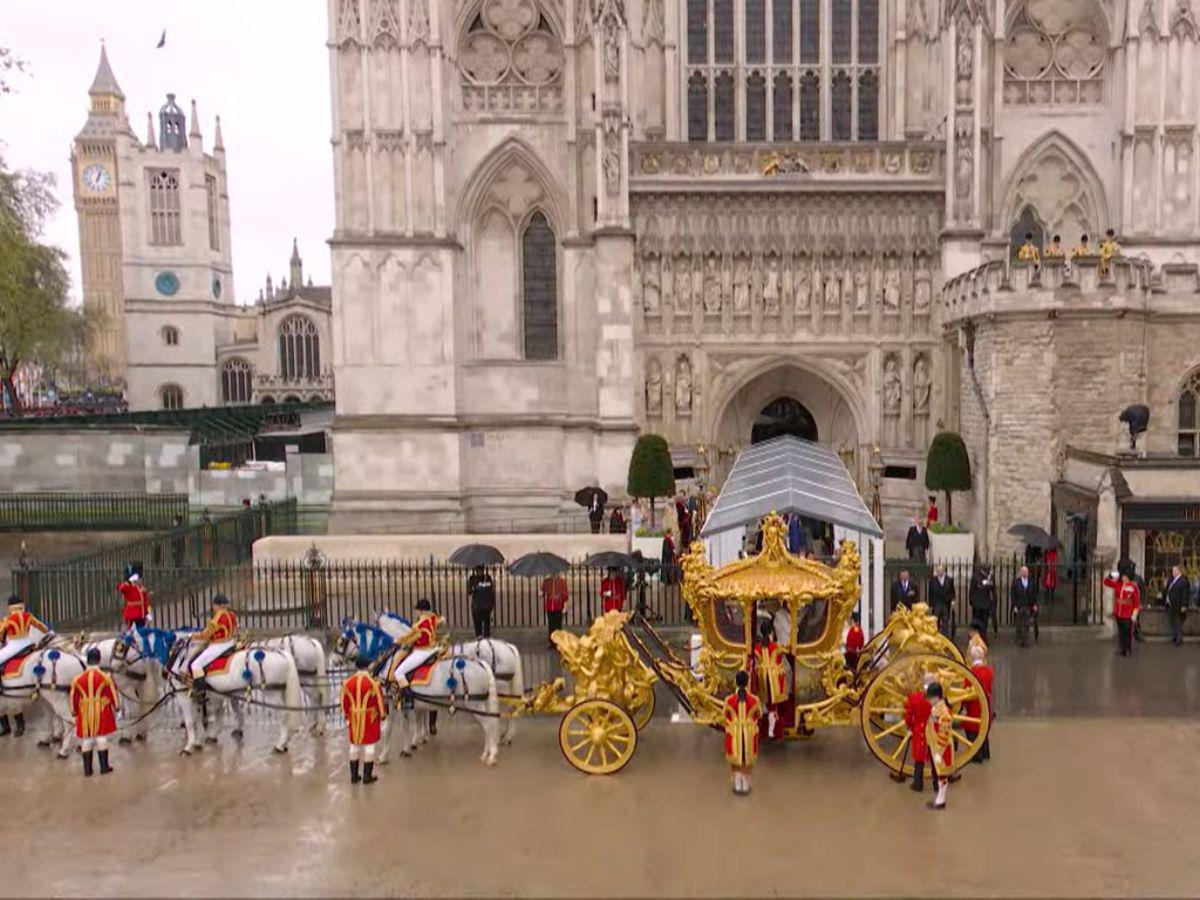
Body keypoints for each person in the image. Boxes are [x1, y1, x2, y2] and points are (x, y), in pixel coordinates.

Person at [0, 597, 51, 737]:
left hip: (14, 646)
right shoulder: (28, 616)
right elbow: (44, 628)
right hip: (28, 644)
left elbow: (1, 636)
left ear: (10, 607)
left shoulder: (7, 620)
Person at [70, 647, 120, 776]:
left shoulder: (77, 679)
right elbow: (113, 695)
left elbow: (73, 697)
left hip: (85, 711)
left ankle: (88, 770)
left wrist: (74, 710)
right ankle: (104, 767)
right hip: (102, 709)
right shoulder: (105, 677)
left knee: (87, 740)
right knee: (101, 738)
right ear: (99, 660)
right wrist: (116, 706)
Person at [340, 655, 387, 785]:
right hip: (369, 717)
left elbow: (344, 703)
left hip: (354, 716)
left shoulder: (347, 682)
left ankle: (354, 776)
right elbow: (379, 701)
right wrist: (382, 714)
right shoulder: (373, 683)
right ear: (368, 666)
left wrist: (346, 716)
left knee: (354, 746)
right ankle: (367, 776)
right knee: (369, 746)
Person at [388, 599, 444, 690]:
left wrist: (396, 641)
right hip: (434, 648)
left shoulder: (418, 626)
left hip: (421, 652)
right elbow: (441, 620)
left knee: (398, 673)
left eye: (417, 610)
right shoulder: (433, 618)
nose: (416, 613)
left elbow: (408, 638)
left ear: (421, 611)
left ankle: (408, 699)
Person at [722, 670, 762, 796]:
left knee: (735, 757)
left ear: (736, 682)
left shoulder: (729, 700)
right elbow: (759, 715)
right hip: (749, 732)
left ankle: (737, 782)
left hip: (734, 732)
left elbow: (725, 716)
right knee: (747, 757)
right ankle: (745, 783)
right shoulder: (755, 700)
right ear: (747, 682)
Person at [188, 594, 238, 692]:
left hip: (219, 646)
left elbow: (205, 635)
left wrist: (192, 636)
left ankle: (200, 691)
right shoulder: (232, 615)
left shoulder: (217, 618)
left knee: (195, 665)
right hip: (230, 643)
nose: (213, 608)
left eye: (214, 605)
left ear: (218, 605)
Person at [753, 622, 788, 739]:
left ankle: (765, 727)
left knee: (766, 703)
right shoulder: (775, 646)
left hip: (762, 676)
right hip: (774, 678)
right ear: (771, 632)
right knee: (773, 705)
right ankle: (771, 731)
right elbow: (788, 650)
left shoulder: (757, 647)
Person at [963, 640, 994, 765]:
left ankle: (977, 756)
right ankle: (985, 753)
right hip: (986, 703)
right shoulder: (989, 671)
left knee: (973, 731)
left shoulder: (970, 673)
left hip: (974, 705)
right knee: (984, 729)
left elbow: (966, 691)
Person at [924, 681, 953, 810]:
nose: (929, 701)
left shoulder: (943, 713)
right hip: (934, 744)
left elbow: (944, 734)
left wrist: (938, 752)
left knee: (942, 775)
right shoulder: (937, 709)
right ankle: (940, 798)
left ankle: (941, 800)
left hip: (941, 747)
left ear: (936, 697)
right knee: (939, 773)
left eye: (930, 698)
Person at [904, 677, 933, 792]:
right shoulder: (938, 700)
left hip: (919, 731)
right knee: (935, 758)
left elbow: (908, 717)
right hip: (933, 730)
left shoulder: (915, 699)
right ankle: (937, 785)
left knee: (919, 760)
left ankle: (918, 784)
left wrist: (910, 727)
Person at [1103, 569, 1141, 656]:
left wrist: (1134, 614)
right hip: (1119, 612)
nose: (1122, 577)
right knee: (1121, 632)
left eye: (1124, 576)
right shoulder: (1118, 584)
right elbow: (1106, 582)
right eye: (1122, 576)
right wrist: (1111, 575)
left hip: (1128, 613)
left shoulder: (1133, 587)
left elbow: (1136, 602)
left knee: (1127, 632)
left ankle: (1128, 649)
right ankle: (1123, 648)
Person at [1010, 566, 1037, 648]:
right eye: (1023, 572)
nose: (1025, 573)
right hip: (1019, 605)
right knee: (1018, 623)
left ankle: (1025, 641)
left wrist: (1034, 604)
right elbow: (1013, 594)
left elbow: (1034, 594)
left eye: (1026, 572)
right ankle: (1018, 638)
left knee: (1026, 623)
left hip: (1028, 605)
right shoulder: (1016, 582)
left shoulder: (1031, 582)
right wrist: (1014, 605)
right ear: (1021, 573)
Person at [1163, 564, 1189, 646]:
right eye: (1172, 571)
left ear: (1179, 571)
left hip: (1178, 604)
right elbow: (1167, 590)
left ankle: (1179, 638)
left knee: (1178, 622)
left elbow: (1185, 594)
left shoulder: (1183, 581)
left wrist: (1184, 605)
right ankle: (1174, 636)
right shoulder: (1171, 580)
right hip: (1170, 604)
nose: (1173, 572)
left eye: (1174, 571)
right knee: (1172, 621)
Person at [466, 565, 496, 638]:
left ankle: (485, 641)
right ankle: (480, 640)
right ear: (476, 570)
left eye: (481, 570)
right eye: (478, 570)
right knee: (478, 627)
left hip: (485, 606)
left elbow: (491, 591)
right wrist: (473, 587)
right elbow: (469, 592)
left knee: (486, 627)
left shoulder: (487, 578)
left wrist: (492, 603)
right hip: (477, 606)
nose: (480, 571)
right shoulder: (472, 579)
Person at [969, 565, 997, 641]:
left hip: (986, 604)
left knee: (985, 622)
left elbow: (993, 591)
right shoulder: (976, 577)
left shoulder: (990, 577)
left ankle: (983, 638)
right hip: (977, 604)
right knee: (976, 622)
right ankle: (975, 638)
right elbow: (972, 590)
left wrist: (994, 603)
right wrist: (971, 601)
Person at [928, 564, 956, 638]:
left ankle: (944, 637)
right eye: (938, 570)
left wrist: (952, 600)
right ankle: (936, 636)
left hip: (945, 603)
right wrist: (931, 604)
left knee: (945, 621)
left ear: (944, 571)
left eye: (940, 570)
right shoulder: (932, 580)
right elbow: (930, 593)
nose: (939, 572)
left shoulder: (949, 580)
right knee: (935, 621)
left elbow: (952, 591)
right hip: (936, 603)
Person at [541, 572, 568, 647]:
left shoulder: (562, 581)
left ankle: (558, 641)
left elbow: (565, 594)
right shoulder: (546, 581)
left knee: (558, 625)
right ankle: (552, 641)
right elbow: (543, 592)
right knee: (551, 625)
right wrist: (541, 592)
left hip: (559, 606)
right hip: (550, 606)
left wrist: (565, 606)